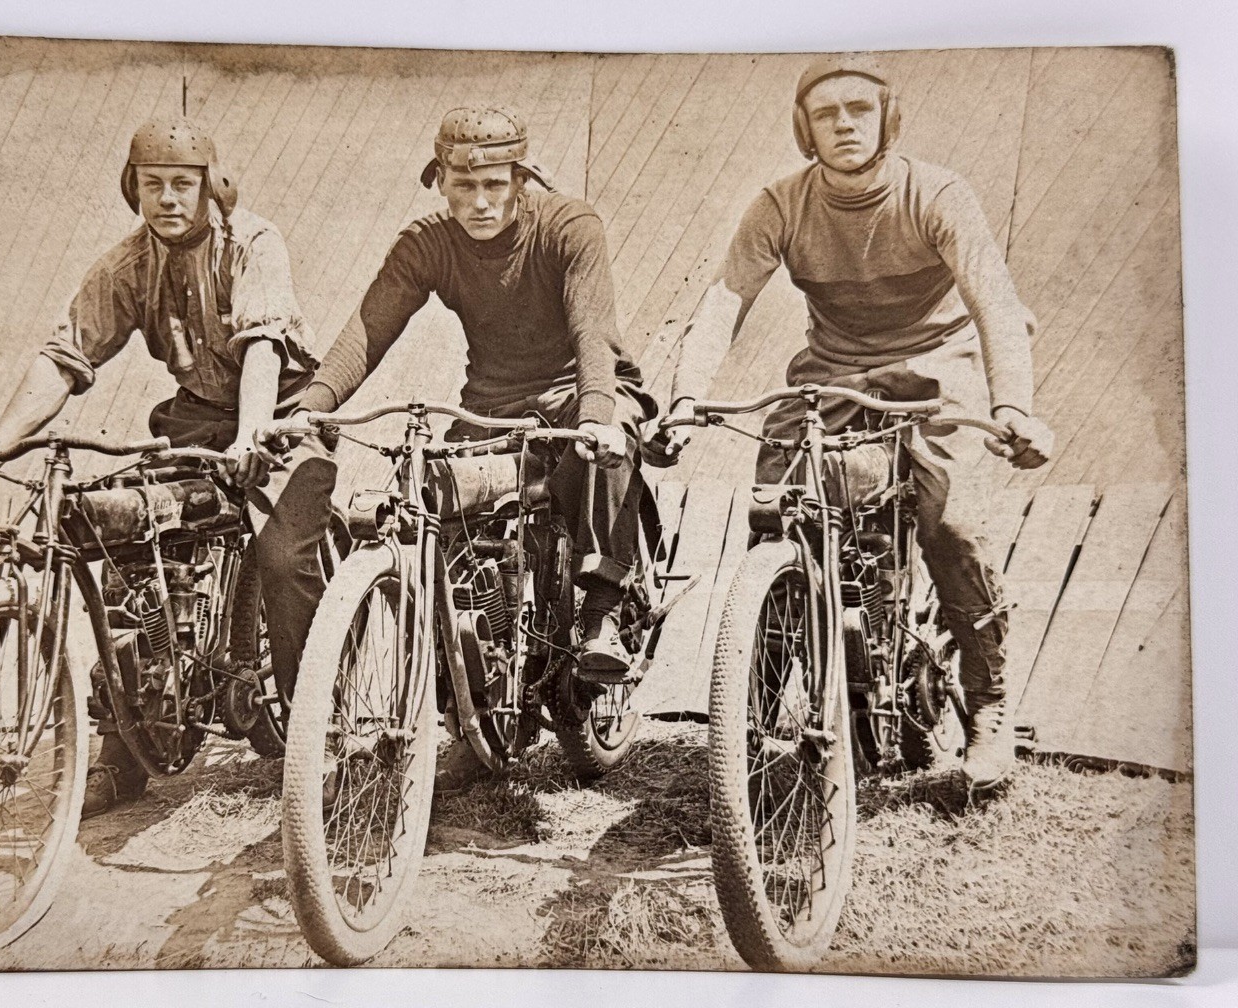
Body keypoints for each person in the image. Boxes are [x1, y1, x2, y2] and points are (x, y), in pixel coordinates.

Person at [661, 55, 1054, 790]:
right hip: (834, 374)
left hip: (942, 369)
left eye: (859, 109)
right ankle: (749, 712)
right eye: (826, 112)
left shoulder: (936, 193)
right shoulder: (780, 204)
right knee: (775, 511)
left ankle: (990, 704)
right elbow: (722, 301)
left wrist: (1012, 408)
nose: (843, 123)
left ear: (887, 119)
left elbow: (995, 302)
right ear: (804, 129)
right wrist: (685, 397)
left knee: (952, 524)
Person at [0, 119, 337, 816]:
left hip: (280, 414)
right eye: (152, 185)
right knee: (122, 540)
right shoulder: (126, 266)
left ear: (211, 187)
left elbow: (264, 348)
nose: (168, 200)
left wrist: (250, 436)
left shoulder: (253, 243)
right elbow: (65, 357)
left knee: (280, 557)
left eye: (183, 184)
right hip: (193, 415)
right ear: (134, 190)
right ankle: (122, 750)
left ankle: (312, 736)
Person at [260, 106, 656, 789]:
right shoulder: (427, 243)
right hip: (491, 404)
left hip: (578, 389)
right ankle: (470, 694)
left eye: (495, 185)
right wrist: (308, 409)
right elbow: (366, 330)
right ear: (440, 182)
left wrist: (596, 412)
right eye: (462, 186)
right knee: (435, 506)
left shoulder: (569, 226)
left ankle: (602, 618)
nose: (479, 201)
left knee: (606, 452)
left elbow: (593, 328)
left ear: (521, 178)